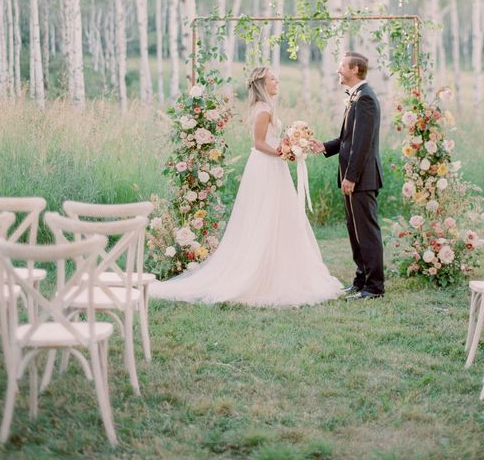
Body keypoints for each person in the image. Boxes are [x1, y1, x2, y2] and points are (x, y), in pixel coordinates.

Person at [150, 67, 343, 307]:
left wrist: (286, 144)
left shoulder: (267, 108)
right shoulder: (262, 110)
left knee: (279, 216)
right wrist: (281, 152)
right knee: (264, 215)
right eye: (272, 78)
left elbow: (270, 140)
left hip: (274, 165)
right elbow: (259, 143)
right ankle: (259, 273)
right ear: (262, 84)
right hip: (266, 166)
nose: (277, 81)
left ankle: (276, 268)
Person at [313, 52, 385, 300]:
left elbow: (362, 144)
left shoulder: (365, 99)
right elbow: (348, 140)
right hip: (354, 177)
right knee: (355, 231)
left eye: (342, 66)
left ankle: (374, 287)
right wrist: (323, 146)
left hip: (361, 179)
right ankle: (360, 280)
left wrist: (351, 177)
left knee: (366, 232)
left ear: (355, 69)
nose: (338, 70)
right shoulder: (356, 97)